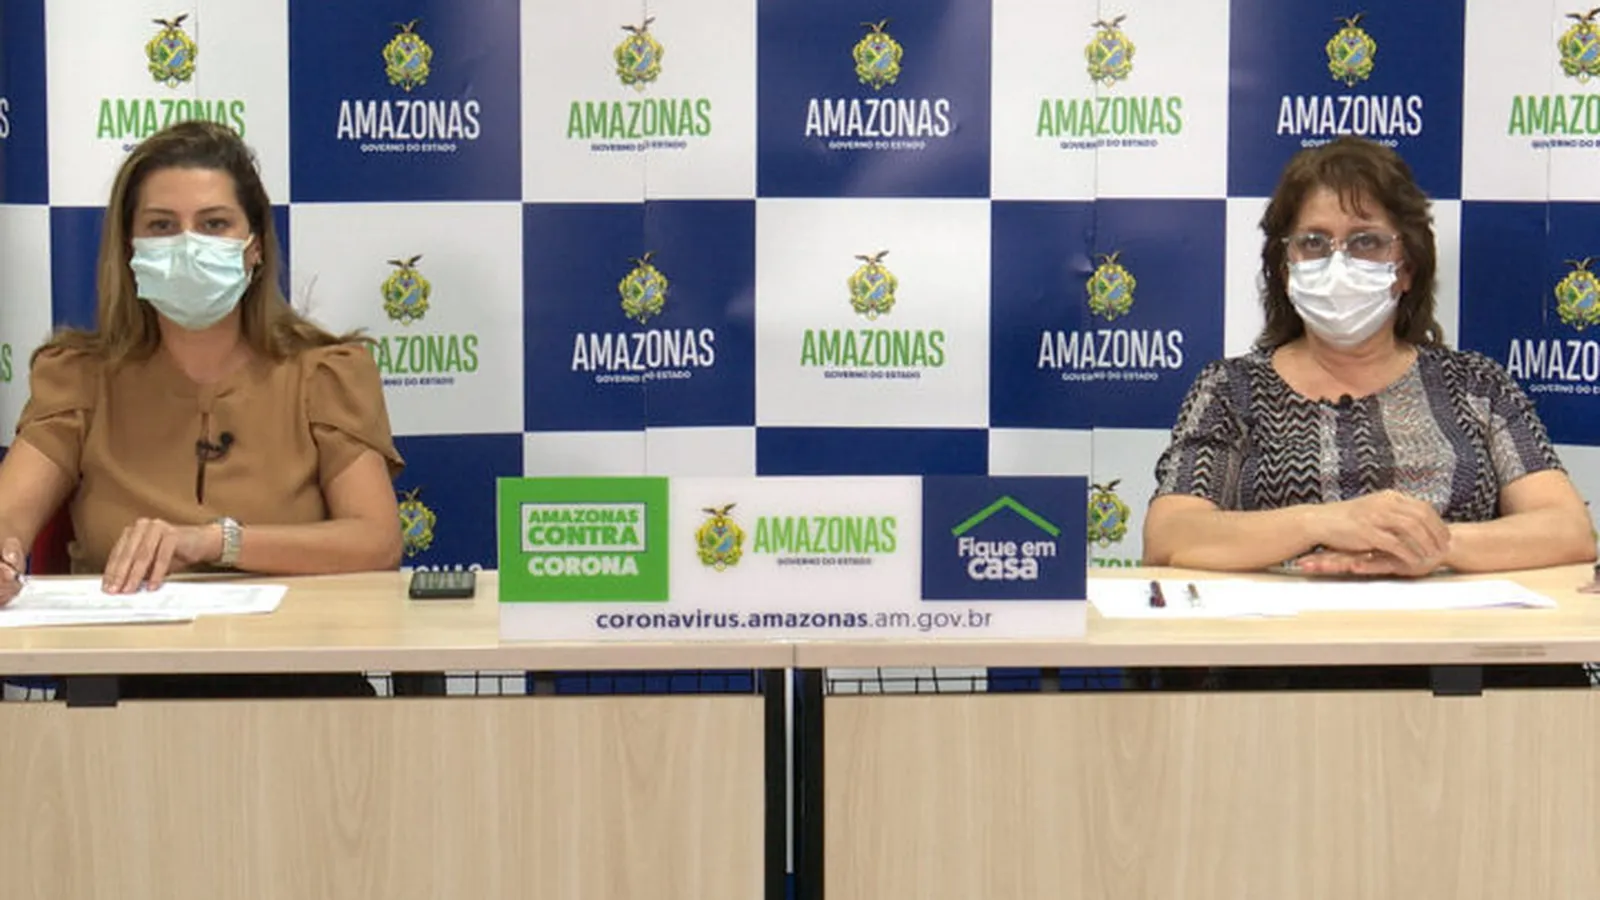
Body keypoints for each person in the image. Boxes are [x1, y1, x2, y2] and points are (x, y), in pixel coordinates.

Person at [1140, 137, 1594, 691]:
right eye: (1313, 242)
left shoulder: (1476, 383)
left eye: (1366, 242)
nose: (1338, 263)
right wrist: (1322, 522)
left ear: (1406, 269)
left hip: (1473, 674)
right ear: (1286, 267)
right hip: (1281, 681)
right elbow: (1171, 535)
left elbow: (1568, 530)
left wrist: (1432, 546)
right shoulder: (1232, 389)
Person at [0, 121, 405, 697]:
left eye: (214, 224)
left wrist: (215, 541)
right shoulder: (79, 376)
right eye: (161, 226)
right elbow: (9, 516)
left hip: (298, 684)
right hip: (118, 689)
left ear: (254, 246)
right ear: (129, 250)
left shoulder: (325, 372)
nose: (188, 244)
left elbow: (376, 541)